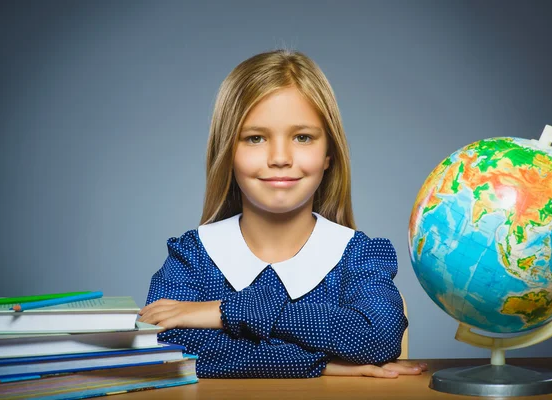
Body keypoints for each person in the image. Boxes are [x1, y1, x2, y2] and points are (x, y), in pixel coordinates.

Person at [138, 49, 427, 379]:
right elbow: (171, 351)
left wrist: (224, 311)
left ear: (328, 154)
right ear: (228, 153)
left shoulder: (358, 256)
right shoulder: (192, 257)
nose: (279, 157)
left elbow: (377, 338)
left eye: (302, 137)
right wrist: (323, 364)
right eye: (255, 138)